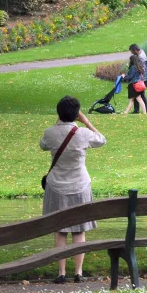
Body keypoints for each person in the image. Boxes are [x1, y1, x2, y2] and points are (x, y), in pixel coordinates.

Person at [40, 96, 107, 283]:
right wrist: (86, 121)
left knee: (60, 231)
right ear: (77, 114)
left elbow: (43, 145)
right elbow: (102, 140)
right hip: (80, 185)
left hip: (56, 186)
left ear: (58, 113)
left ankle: (61, 273)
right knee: (79, 231)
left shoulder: (50, 133)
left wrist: (57, 123)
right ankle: (78, 272)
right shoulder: (83, 133)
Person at [122, 50, 147, 115]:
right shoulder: (139, 67)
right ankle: (144, 112)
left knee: (133, 100)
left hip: (133, 85)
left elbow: (130, 76)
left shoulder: (133, 67)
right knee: (138, 99)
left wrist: (123, 77)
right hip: (139, 84)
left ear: (132, 61)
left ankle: (126, 112)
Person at [129, 44, 147, 114]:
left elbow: (141, 69)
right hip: (143, 77)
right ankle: (137, 110)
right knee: (137, 93)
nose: (131, 53)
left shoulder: (141, 57)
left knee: (141, 94)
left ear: (135, 50)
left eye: (132, 51)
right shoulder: (141, 52)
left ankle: (146, 110)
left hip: (143, 78)